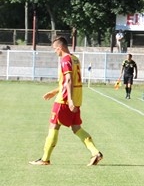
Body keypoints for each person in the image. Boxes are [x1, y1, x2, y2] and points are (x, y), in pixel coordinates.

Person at [30, 36, 103, 167]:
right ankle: (95, 152)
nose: (55, 52)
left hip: (64, 101)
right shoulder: (75, 59)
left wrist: (68, 100)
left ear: (61, 47)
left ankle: (45, 159)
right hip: (77, 99)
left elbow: (68, 80)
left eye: (55, 49)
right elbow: (69, 81)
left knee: (53, 126)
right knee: (76, 128)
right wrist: (55, 91)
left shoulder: (65, 59)